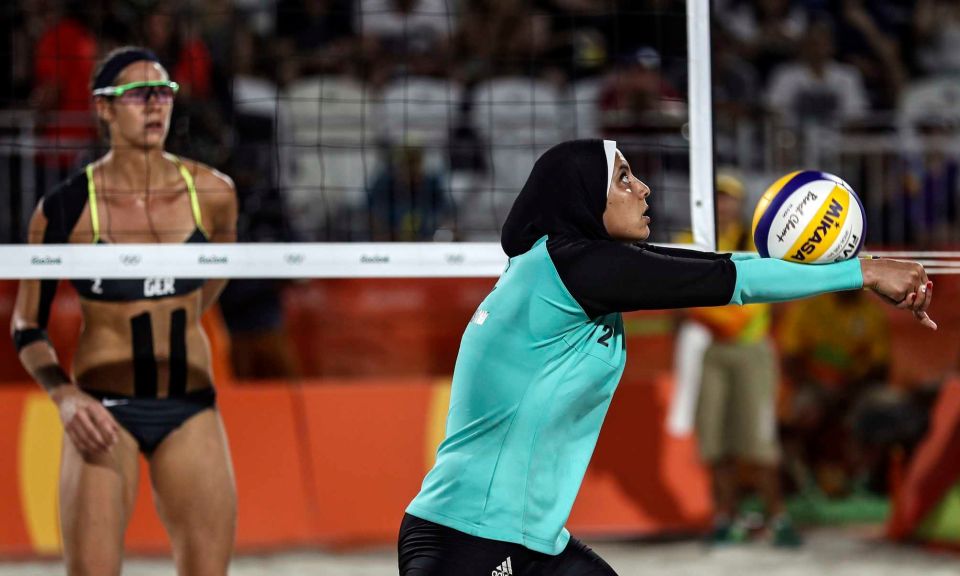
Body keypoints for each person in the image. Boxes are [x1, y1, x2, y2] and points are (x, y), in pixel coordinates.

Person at [397, 139, 935, 575]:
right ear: (583, 197)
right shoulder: (564, 269)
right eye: (623, 178)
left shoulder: (574, 269)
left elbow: (718, 266)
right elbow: (728, 278)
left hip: (534, 543)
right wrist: (863, 271)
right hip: (466, 540)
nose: (643, 188)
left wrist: (863, 268)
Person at [10, 47, 238, 575]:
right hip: (102, 410)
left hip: (189, 406)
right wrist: (63, 396)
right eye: (138, 95)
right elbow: (27, 324)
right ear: (104, 108)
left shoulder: (213, 194)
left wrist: (172, 301)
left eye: (164, 92)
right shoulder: (66, 209)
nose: (155, 105)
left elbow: (220, 272)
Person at [682, 174, 797, 546]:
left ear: (740, 203)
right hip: (714, 350)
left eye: (728, 197)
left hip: (751, 350)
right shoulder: (689, 241)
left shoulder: (761, 241)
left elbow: (771, 300)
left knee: (759, 443)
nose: (723, 204)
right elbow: (684, 301)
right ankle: (725, 518)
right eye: (717, 196)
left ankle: (778, 518)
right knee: (715, 442)